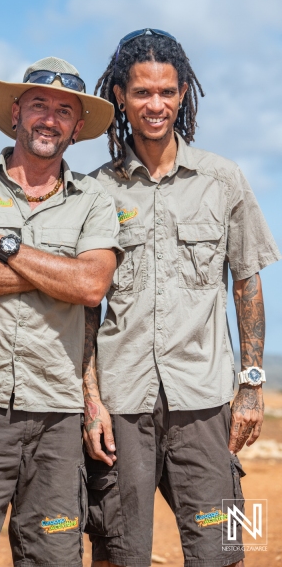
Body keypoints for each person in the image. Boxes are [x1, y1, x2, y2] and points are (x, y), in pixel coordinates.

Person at [82, 29, 281, 567]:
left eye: (167, 92)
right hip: (122, 402)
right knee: (118, 551)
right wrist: (90, 399)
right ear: (119, 95)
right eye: (143, 92)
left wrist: (252, 386)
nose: (156, 105)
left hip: (206, 400)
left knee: (224, 550)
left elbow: (247, 282)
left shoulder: (223, 179)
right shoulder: (94, 190)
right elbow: (84, 307)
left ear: (184, 93)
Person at [0, 56, 122, 567]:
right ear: (15, 113)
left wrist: (6, 246)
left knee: (54, 555)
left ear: (78, 127)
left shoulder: (95, 202)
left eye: (64, 110)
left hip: (57, 417)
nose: (49, 118)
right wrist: (57, 272)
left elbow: (90, 285)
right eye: (39, 104)